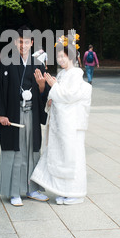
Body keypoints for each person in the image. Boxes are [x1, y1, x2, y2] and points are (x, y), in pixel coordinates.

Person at [0, 26, 50, 207]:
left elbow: (45, 95)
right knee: (15, 151)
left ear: (32, 43)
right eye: (20, 41)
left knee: (32, 150)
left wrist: (41, 86)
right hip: (12, 116)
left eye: (26, 42)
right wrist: (0, 114)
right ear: (15, 42)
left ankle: (32, 189)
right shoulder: (6, 63)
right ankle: (14, 192)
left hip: (32, 113)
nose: (23, 45)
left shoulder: (38, 64)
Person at [31, 36, 92, 205]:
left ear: (71, 56)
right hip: (61, 123)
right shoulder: (63, 73)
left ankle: (76, 192)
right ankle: (64, 190)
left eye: (63, 56)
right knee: (62, 155)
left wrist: (54, 87)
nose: (60, 59)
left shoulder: (76, 74)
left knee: (72, 156)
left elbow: (69, 96)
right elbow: (59, 95)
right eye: (58, 57)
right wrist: (51, 97)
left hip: (70, 124)